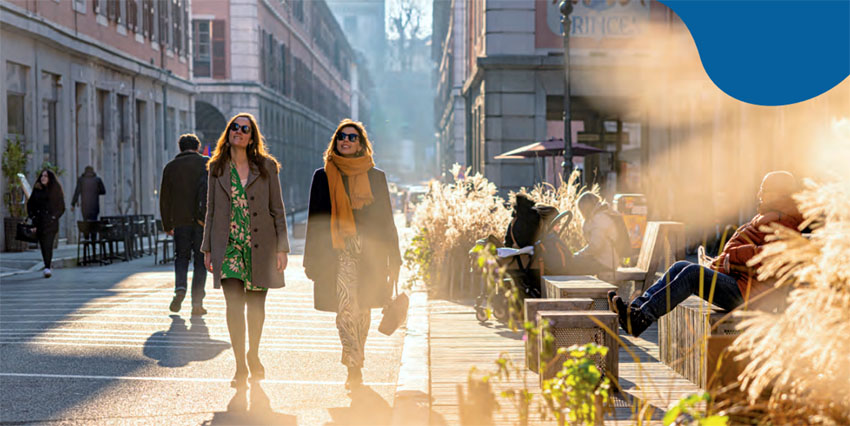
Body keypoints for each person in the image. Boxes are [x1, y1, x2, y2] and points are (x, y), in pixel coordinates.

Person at [608, 171, 804, 337]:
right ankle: (637, 312)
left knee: (692, 274)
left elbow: (774, 257)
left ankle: (642, 318)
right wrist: (725, 262)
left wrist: (730, 259)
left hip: (750, 295)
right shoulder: (775, 214)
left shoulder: (784, 221)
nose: (759, 193)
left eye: (765, 189)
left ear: (780, 194)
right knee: (681, 266)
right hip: (742, 284)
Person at [304, 119, 402, 390]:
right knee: (346, 308)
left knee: (364, 310)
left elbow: (386, 220)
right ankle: (353, 366)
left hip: (371, 253)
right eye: (341, 137)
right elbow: (316, 219)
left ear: (361, 144)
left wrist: (394, 257)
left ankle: (357, 356)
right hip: (338, 253)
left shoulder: (375, 176)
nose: (345, 141)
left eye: (352, 137)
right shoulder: (323, 175)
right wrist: (311, 260)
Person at [201, 113, 289, 389]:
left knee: (256, 306)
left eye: (244, 129)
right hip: (228, 247)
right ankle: (240, 364)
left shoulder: (266, 167)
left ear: (252, 137)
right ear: (228, 133)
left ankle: (254, 353)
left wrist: (282, 248)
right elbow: (211, 210)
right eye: (234, 128)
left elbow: (277, 208)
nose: (238, 132)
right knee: (234, 305)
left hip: (260, 245)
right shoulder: (216, 167)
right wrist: (207, 248)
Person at [160, 134, 210, 315]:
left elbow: (164, 199)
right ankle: (197, 302)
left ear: (180, 147)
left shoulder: (171, 167)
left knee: (181, 258)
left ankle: (180, 288)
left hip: (180, 221)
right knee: (200, 261)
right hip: (202, 222)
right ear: (198, 147)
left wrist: (167, 224)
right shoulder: (206, 164)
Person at [571, 192, 623, 275]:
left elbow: (596, 246)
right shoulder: (602, 214)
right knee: (574, 263)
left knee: (572, 265)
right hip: (607, 260)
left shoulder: (599, 218)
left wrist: (578, 254)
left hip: (606, 262)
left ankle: (584, 288)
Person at [27, 169, 66, 278]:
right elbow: (30, 204)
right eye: (42, 176)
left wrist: (54, 217)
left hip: (50, 223)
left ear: (50, 178)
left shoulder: (56, 190)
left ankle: (47, 267)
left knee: (48, 245)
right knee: (43, 246)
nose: (43, 178)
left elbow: (61, 207)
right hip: (39, 222)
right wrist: (33, 217)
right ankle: (47, 265)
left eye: (46, 176)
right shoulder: (37, 189)